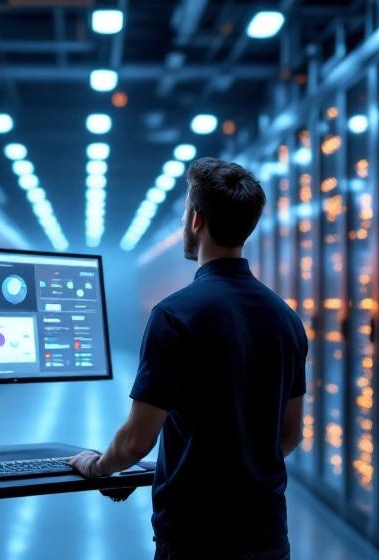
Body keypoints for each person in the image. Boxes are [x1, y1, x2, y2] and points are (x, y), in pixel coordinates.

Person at [69, 157, 308, 560]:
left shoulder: (175, 315)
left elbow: (135, 441)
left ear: (196, 220)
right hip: (267, 534)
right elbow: (289, 435)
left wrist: (97, 466)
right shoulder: (286, 318)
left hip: (195, 537)